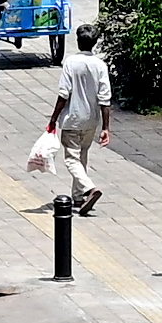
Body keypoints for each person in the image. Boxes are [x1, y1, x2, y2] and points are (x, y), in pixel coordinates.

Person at [46, 23, 116, 212]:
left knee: (71, 158)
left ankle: (89, 188)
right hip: (91, 120)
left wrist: (53, 118)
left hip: (72, 119)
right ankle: (78, 197)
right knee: (82, 156)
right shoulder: (100, 65)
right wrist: (105, 127)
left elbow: (64, 94)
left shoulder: (71, 62)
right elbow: (105, 99)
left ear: (78, 41)